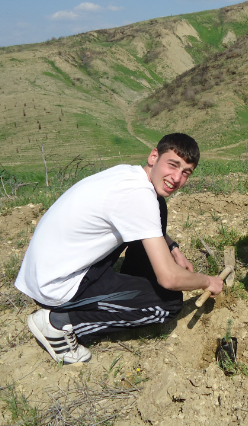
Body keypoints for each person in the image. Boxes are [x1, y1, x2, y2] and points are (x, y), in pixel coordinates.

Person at [15, 133, 223, 364]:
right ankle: (58, 322)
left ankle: (132, 282)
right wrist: (206, 281)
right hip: (56, 288)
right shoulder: (138, 197)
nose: (176, 178)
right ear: (154, 156)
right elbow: (170, 279)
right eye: (173, 165)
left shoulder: (130, 175)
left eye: (186, 172)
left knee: (159, 206)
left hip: (50, 268)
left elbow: (143, 219)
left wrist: (172, 247)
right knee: (168, 303)